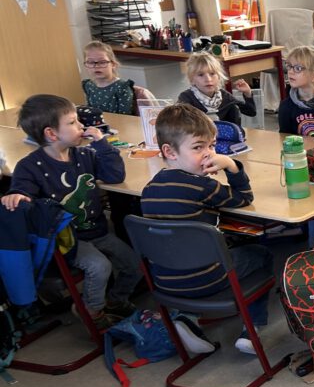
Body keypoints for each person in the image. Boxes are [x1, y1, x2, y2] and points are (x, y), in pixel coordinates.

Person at [140, 104, 270, 354]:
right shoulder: (203, 187)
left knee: (192, 249)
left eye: (212, 146)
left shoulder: (149, 189)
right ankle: (252, 330)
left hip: (165, 281)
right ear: (169, 151)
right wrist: (231, 165)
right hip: (207, 279)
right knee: (260, 253)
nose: (209, 154)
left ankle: (187, 317)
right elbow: (245, 198)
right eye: (198, 147)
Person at [5, 94, 140, 329]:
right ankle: (92, 311)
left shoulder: (84, 155)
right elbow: (22, 191)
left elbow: (115, 175)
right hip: (68, 240)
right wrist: (17, 194)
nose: (81, 126)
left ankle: (115, 300)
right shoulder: (30, 166)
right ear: (51, 134)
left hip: (97, 230)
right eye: (72, 122)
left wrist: (102, 144)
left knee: (134, 264)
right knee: (100, 267)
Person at [177, 52, 257, 126]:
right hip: (198, 136)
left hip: (225, 135)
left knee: (234, 108)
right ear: (192, 80)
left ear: (219, 77)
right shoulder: (186, 98)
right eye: (201, 75)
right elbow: (179, 125)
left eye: (212, 74)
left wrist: (247, 93)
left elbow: (251, 112)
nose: (208, 79)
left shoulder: (224, 96)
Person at [81, 40, 155, 115]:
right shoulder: (88, 85)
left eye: (102, 62)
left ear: (113, 64)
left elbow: (125, 117)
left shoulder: (122, 88)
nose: (96, 66)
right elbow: (90, 112)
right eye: (90, 62)